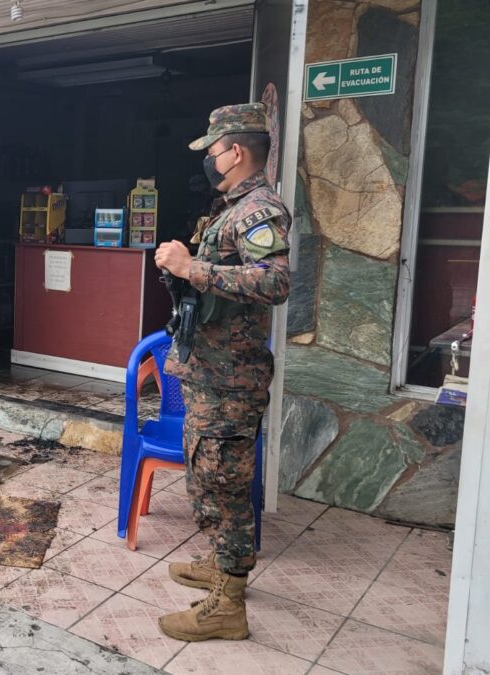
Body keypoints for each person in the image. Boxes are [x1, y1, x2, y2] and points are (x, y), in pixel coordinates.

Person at [152, 103, 290, 642]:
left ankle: (228, 604)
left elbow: (275, 283)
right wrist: (186, 264)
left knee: (225, 483)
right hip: (211, 371)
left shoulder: (258, 209)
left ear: (235, 151)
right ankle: (220, 561)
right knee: (208, 472)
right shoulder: (229, 207)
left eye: (212, 150)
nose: (209, 160)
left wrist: (193, 266)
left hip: (232, 378)